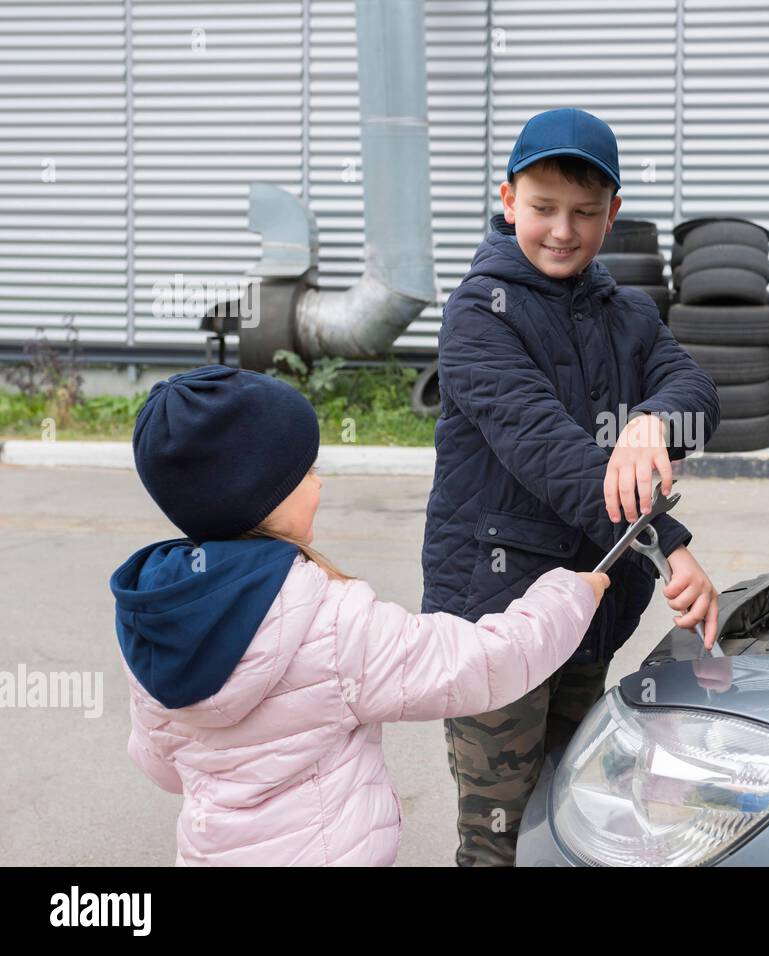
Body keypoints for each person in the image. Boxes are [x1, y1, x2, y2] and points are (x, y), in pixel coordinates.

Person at [109, 364, 609, 865]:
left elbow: (161, 766)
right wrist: (570, 593)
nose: (319, 483)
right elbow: (481, 663)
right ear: (259, 493)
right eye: (305, 471)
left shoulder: (152, 618)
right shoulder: (329, 620)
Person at [423, 107, 722, 866]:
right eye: (544, 208)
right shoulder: (477, 316)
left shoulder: (629, 313)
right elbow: (548, 451)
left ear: (613, 214)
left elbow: (697, 390)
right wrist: (671, 546)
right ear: (507, 199)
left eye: (586, 213)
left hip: (588, 604)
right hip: (497, 616)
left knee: (573, 816)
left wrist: (655, 421)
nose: (563, 230)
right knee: (498, 834)